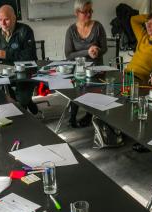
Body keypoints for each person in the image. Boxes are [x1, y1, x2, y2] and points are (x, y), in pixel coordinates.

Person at [0, 5, 39, 115]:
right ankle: (26, 103)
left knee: (21, 101)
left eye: (6, 19)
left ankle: (26, 103)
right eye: (0, 20)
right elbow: (0, 57)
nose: (3, 23)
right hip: (7, 72)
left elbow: (30, 56)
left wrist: (7, 54)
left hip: (26, 72)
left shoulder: (25, 30)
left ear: (14, 18)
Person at [64, 0, 108, 128]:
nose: (89, 15)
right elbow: (68, 55)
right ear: (77, 13)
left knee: (91, 87)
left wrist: (97, 50)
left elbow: (104, 48)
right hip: (78, 69)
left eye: (91, 11)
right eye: (85, 12)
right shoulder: (71, 30)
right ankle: (72, 117)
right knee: (76, 85)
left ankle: (89, 116)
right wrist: (87, 52)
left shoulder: (98, 27)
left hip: (96, 69)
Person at [126, 12, 152, 83]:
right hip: (127, 73)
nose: (148, 26)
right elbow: (133, 19)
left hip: (139, 79)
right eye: (147, 22)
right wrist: (149, 16)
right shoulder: (143, 36)